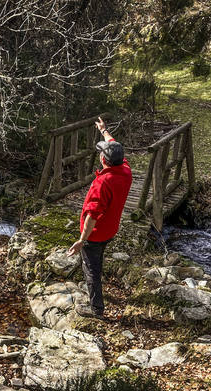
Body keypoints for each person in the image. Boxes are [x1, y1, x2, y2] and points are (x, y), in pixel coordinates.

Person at [67, 117, 132, 318]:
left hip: (96, 234)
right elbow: (113, 145)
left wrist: (81, 240)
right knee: (97, 260)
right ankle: (99, 299)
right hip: (111, 229)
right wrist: (104, 131)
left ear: (104, 160)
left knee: (91, 270)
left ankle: (97, 310)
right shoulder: (125, 170)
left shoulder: (103, 183)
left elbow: (92, 216)